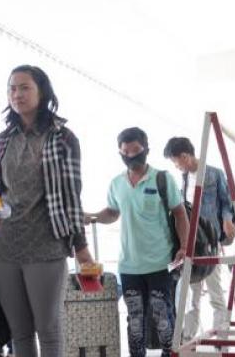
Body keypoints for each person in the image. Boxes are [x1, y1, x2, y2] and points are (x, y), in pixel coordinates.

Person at [0, 64, 93, 357]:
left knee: (49, 330)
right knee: (18, 332)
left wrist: (81, 247)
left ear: (41, 91)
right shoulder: (2, 140)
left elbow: (72, 196)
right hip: (2, 248)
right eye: (12, 88)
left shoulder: (63, 138)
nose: (16, 94)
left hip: (46, 246)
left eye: (24, 87)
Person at [85, 127, 188, 357]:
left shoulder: (162, 179)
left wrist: (183, 247)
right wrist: (90, 216)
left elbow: (180, 213)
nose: (131, 156)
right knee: (134, 320)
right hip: (129, 266)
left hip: (160, 264)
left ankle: (169, 354)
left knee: (163, 317)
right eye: (125, 152)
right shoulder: (116, 184)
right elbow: (112, 213)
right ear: (120, 153)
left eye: (135, 150)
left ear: (146, 149)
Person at [163, 137, 235, 343]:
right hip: (191, 243)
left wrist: (227, 221)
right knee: (192, 292)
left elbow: (226, 202)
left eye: (176, 161)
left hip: (210, 242)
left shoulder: (214, 173)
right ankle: (188, 336)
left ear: (185, 156)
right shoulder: (184, 179)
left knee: (215, 291)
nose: (176, 166)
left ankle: (222, 334)